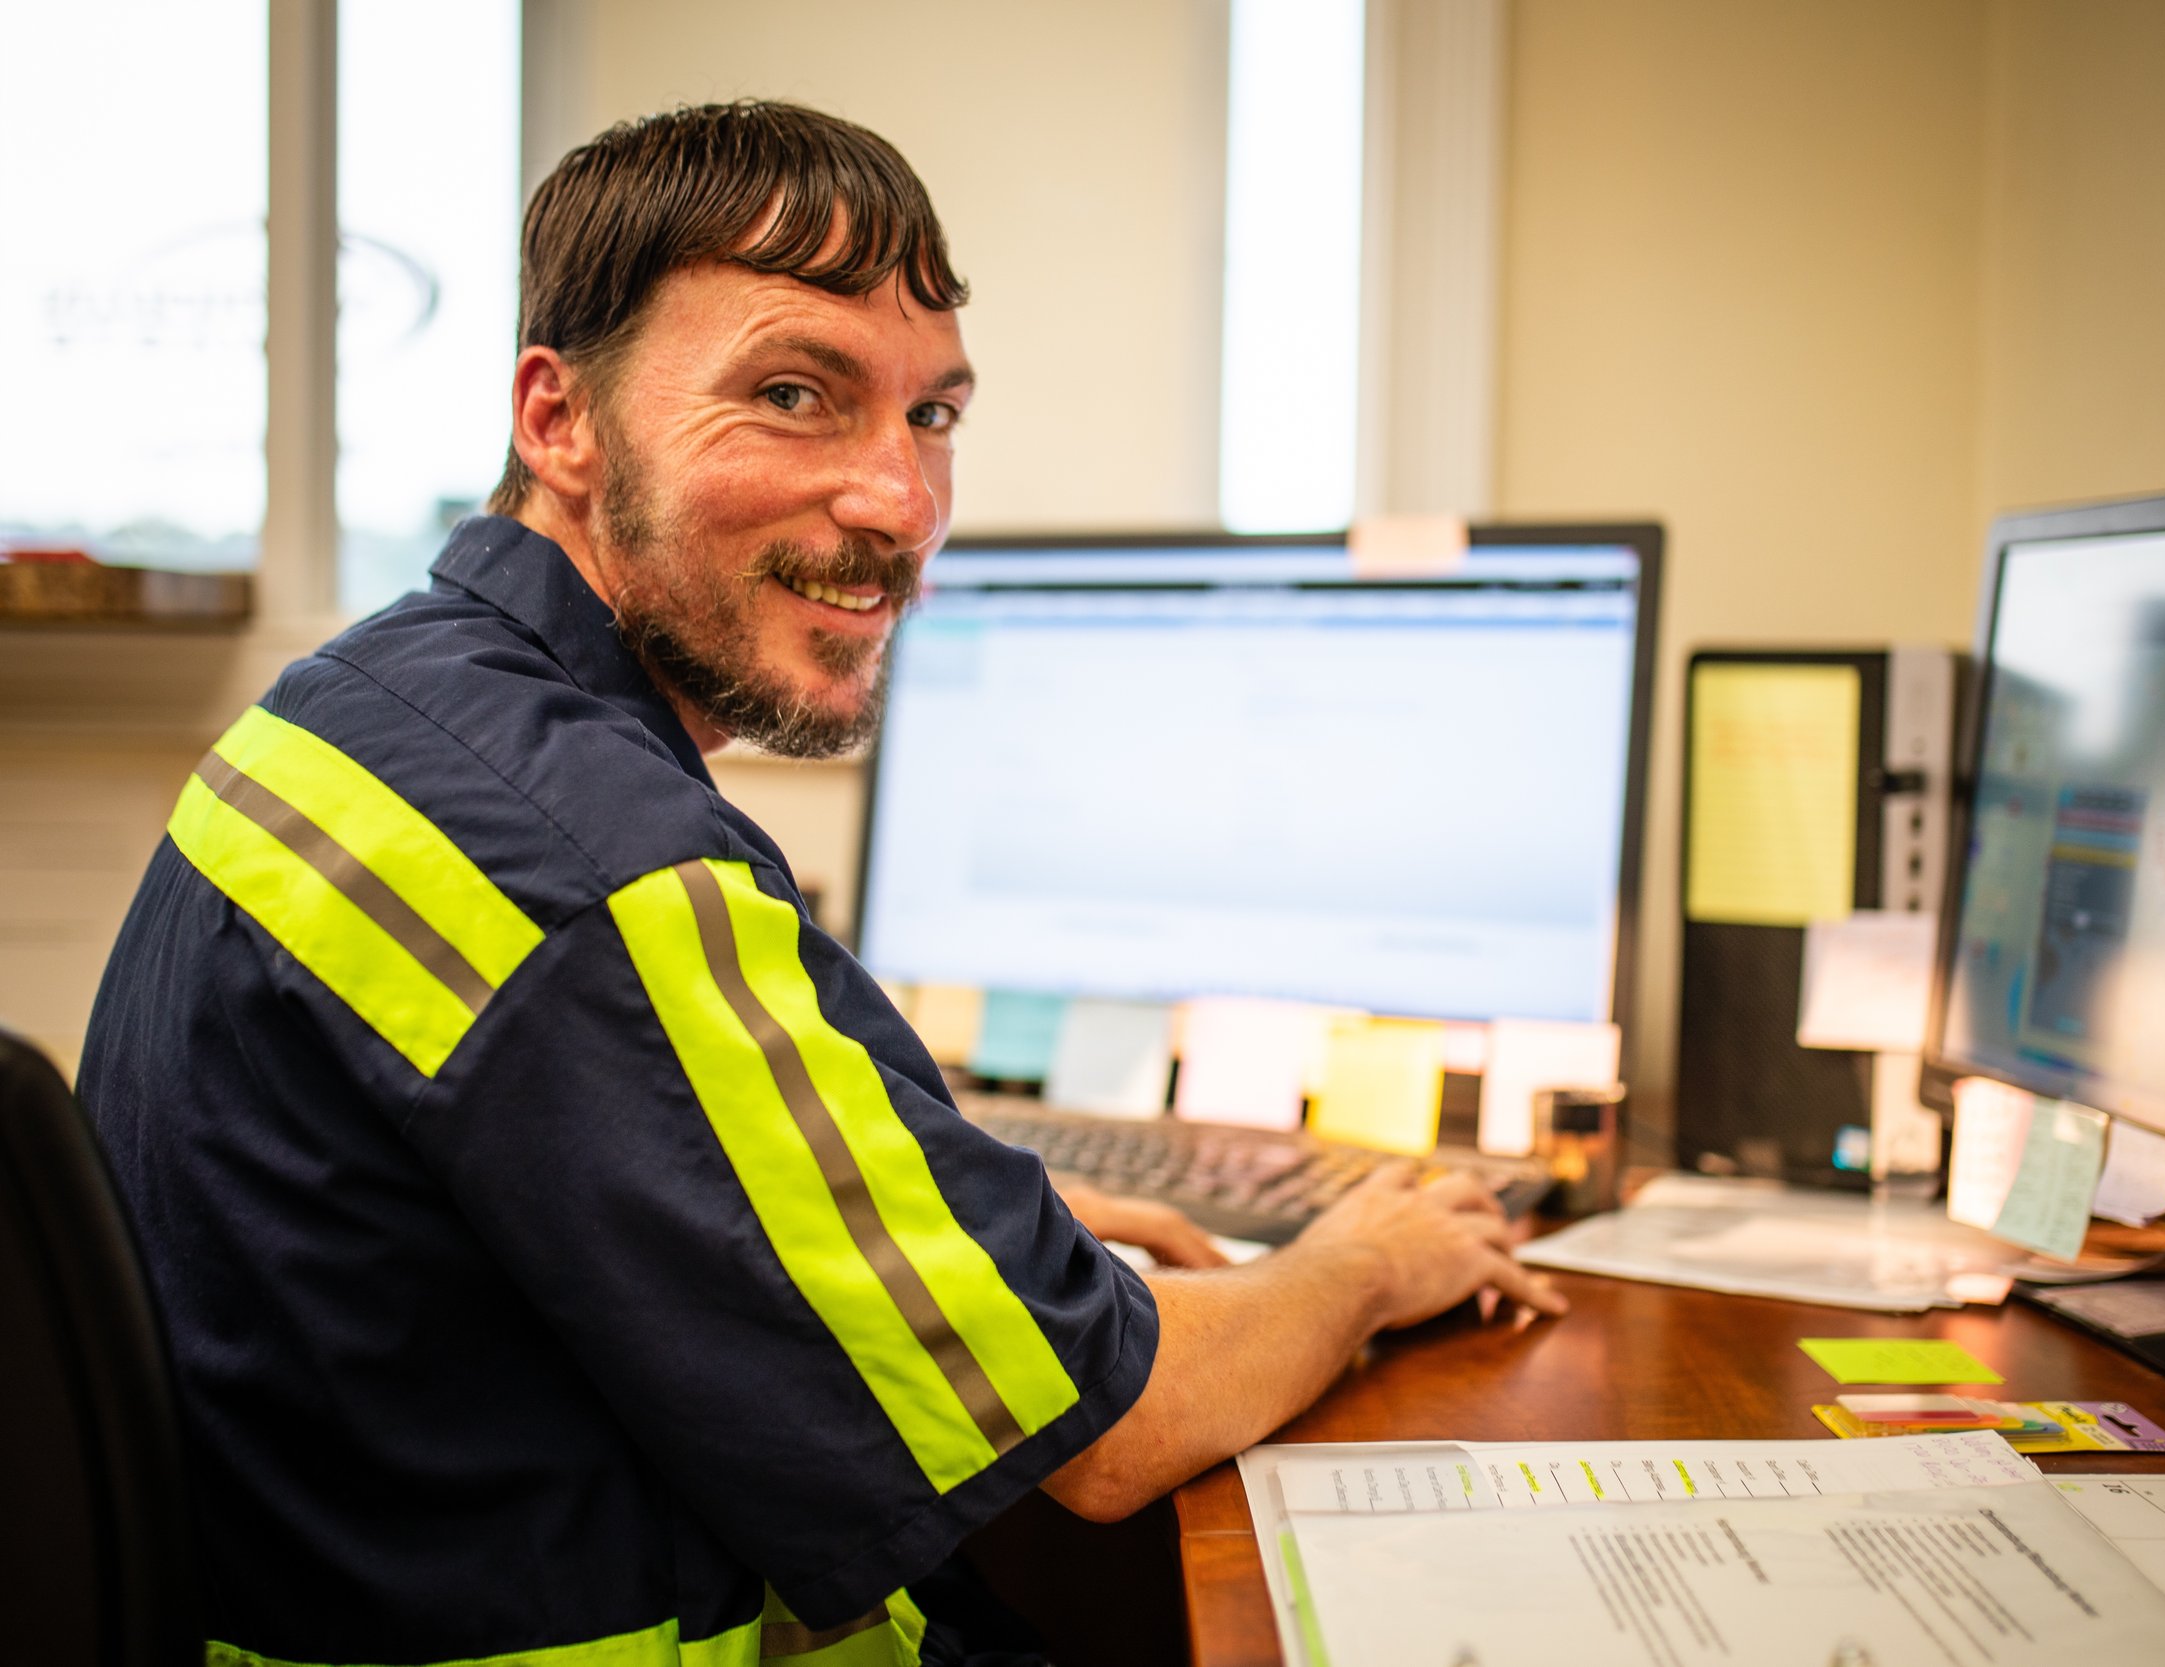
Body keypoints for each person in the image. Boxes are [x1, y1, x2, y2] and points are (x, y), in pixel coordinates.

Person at [80, 100, 1562, 1667]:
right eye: (795, 395)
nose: (900, 505)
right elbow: (1117, 1431)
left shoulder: (372, 706)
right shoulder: (603, 864)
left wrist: (998, 1210)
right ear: (558, 418)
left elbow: (554, 1168)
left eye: (932, 419)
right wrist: (1368, 1263)